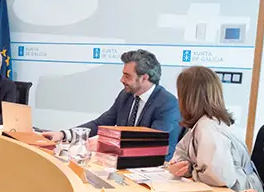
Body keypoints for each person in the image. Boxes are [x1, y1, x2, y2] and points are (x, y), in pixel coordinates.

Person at [41, 49, 180, 159]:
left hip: (153, 170)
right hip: (123, 165)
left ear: (144, 78)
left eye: (127, 76)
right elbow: (100, 124)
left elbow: (151, 146)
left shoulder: (167, 104)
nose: (121, 80)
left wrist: (106, 145)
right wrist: (63, 135)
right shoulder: (126, 96)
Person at [164, 66, 263, 192]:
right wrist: (183, 165)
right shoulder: (203, 122)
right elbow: (181, 152)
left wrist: (191, 171)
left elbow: (220, 178)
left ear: (188, 98)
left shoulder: (208, 127)